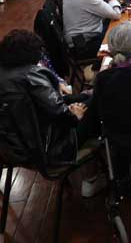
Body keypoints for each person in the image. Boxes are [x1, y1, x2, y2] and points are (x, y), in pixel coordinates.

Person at [0, 30, 95, 164]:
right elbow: (62, 115)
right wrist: (74, 114)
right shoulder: (30, 76)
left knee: (84, 98)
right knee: (98, 102)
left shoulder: (6, 75)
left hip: (16, 149)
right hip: (52, 148)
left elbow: (44, 105)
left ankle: (90, 94)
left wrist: (74, 104)